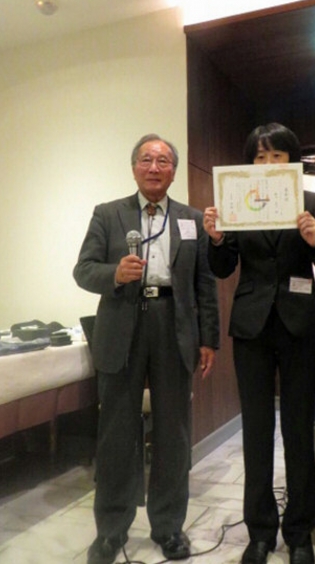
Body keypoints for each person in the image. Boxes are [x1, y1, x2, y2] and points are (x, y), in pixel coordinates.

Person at [73, 133, 220, 564]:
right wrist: (114, 274)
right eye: (146, 159)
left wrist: (208, 338)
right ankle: (110, 531)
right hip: (122, 323)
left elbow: (205, 284)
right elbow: (83, 270)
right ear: (134, 167)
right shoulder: (107, 214)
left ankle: (169, 527)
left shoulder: (192, 219)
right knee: (116, 433)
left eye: (163, 161)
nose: (154, 167)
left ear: (173, 171)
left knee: (174, 433)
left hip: (174, 326)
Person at [203, 123, 315, 564]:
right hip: (252, 326)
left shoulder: (311, 201)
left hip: (299, 323)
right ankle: (260, 532)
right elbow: (223, 267)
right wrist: (217, 240)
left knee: (299, 428)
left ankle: (299, 531)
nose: (267, 163)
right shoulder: (236, 198)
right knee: (257, 431)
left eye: (276, 155)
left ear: (291, 160)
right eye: (259, 157)